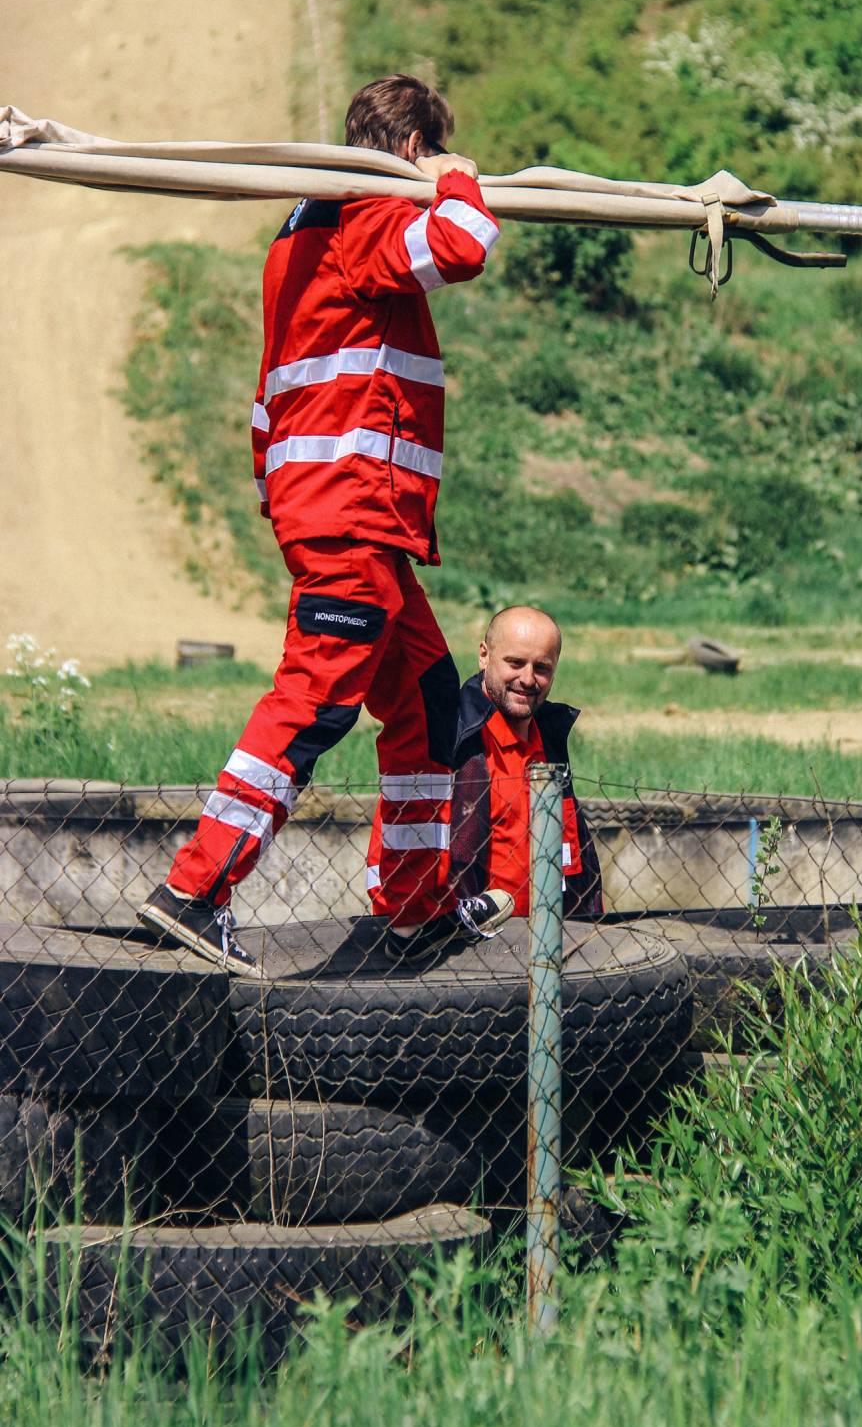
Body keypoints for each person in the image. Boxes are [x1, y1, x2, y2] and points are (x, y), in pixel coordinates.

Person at [138, 75, 512, 973]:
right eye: (429, 154)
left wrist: (281, 493)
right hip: (354, 508)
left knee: (427, 703)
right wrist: (455, 179)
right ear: (413, 148)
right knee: (317, 700)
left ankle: (417, 907)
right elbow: (463, 243)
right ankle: (195, 888)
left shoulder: (297, 232)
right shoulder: (369, 211)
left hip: (340, 513)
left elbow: (272, 385)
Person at [449, 606, 602, 919]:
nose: (528, 679)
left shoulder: (550, 737)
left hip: (557, 937)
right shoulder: (452, 741)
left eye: (542, 667)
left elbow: (575, 860)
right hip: (474, 941)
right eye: (515, 663)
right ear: (484, 655)